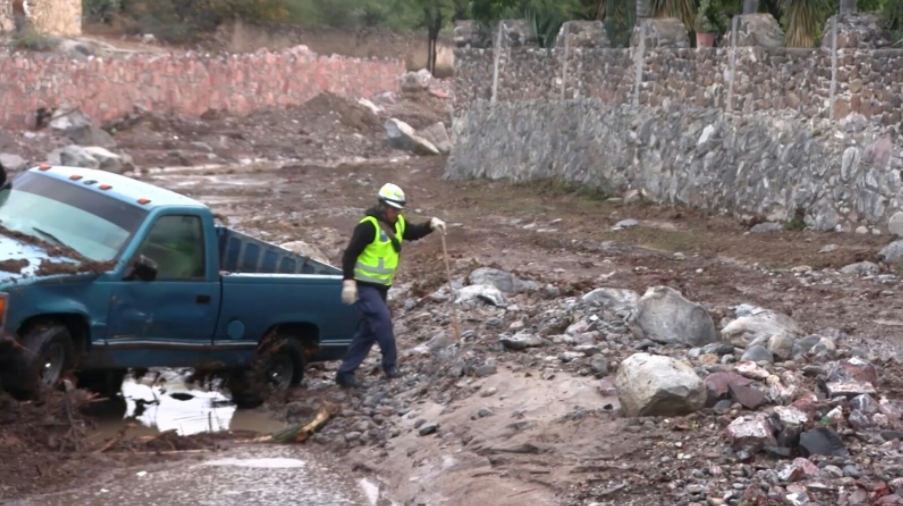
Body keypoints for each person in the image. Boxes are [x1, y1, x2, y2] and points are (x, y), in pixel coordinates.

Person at [336, 183, 446, 388]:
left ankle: (345, 373)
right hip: (365, 287)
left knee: (367, 332)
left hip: (382, 287)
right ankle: (390, 366)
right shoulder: (368, 226)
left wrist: (430, 224)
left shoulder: (399, 223)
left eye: (398, 209)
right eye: (393, 209)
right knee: (383, 321)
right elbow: (349, 255)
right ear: (382, 206)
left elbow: (413, 232)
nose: (396, 213)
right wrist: (349, 281)